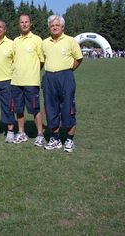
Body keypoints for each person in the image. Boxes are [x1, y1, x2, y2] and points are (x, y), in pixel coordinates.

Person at [42, 15, 83, 152]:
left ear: (62, 27)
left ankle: (69, 141)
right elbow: (42, 60)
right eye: (52, 25)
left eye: (57, 25)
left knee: (68, 108)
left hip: (66, 77)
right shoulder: (44, 42)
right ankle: (55, 139)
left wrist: (67, 70)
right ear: (49, 27)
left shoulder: (70, 41)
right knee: (51, 109)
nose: (54, 27)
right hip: (49, 78)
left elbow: (78, 59)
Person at [10, 14, 46, 145]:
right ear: (19, 24)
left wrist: (33, 71)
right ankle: (21, 133)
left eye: (26, 22)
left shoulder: (37, 40)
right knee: (18, 109)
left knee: (35, 109)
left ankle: (40, 134)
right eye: (22, 22)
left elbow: (42, 61)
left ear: (30, 24)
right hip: (16, 82)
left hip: (31, 82)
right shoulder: (15, 41)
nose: (24, 24)